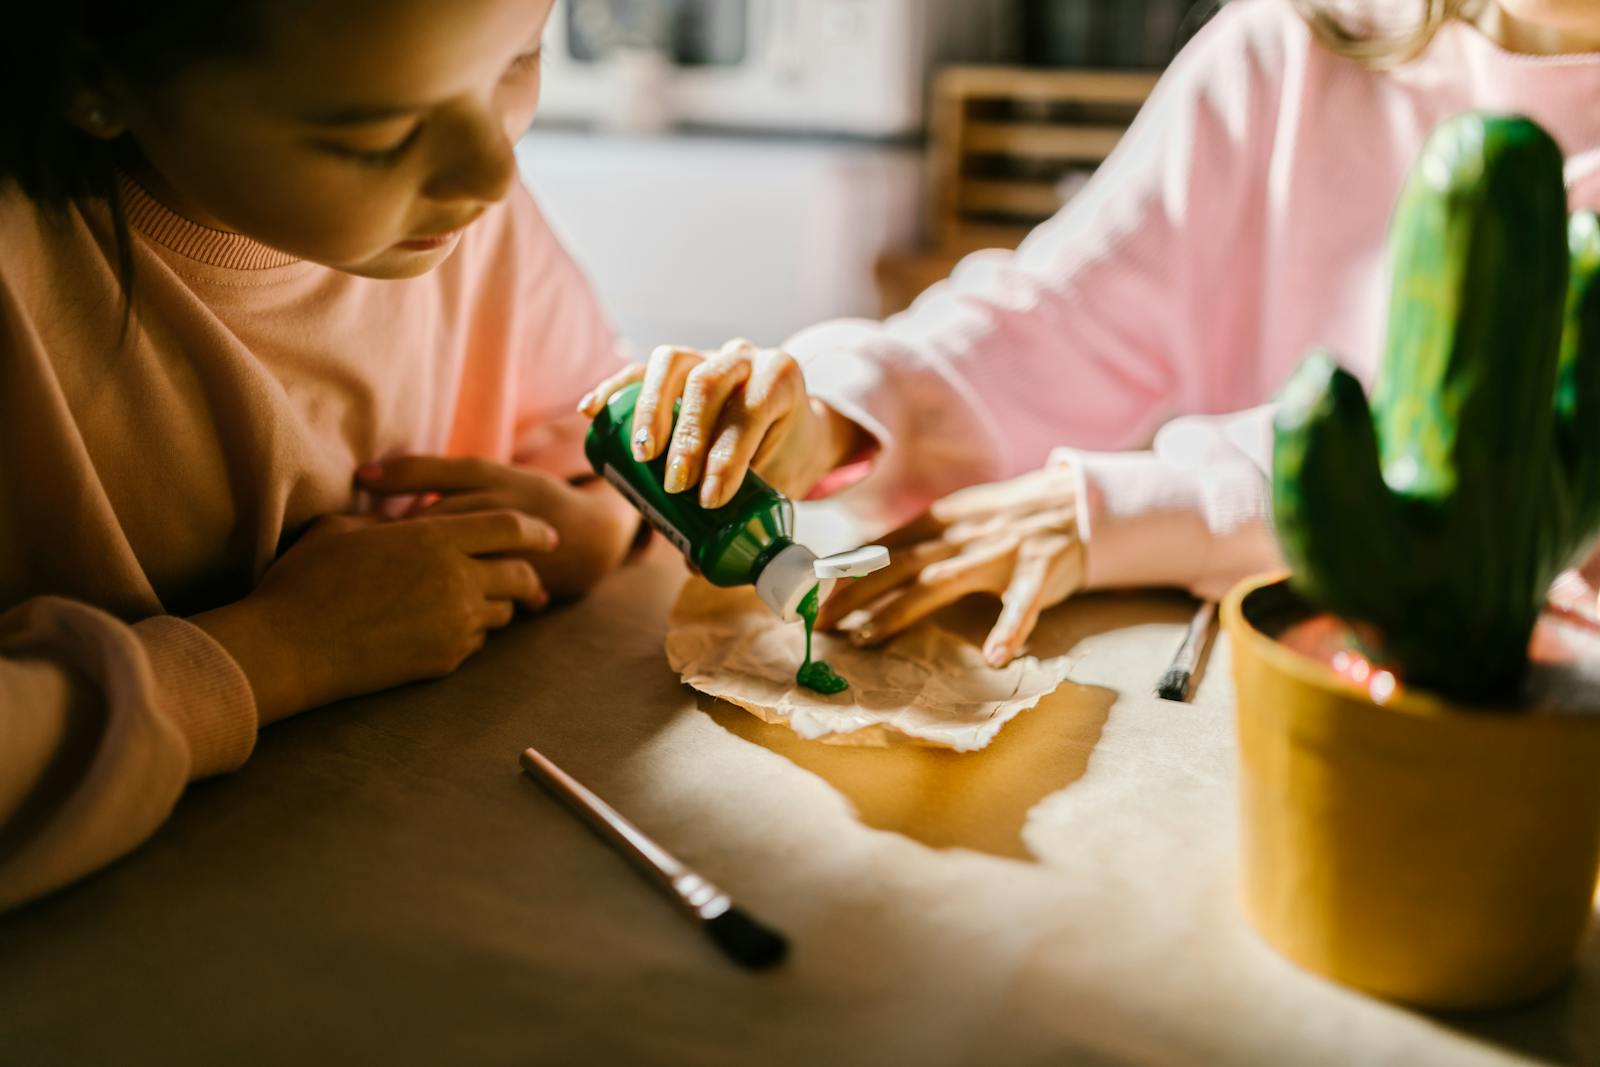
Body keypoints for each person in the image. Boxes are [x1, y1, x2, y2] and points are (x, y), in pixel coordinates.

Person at [583, 0, 1600, 668]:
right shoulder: (1289, 43)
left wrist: (1130, 505)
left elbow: (1494, 477)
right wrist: (840, 409)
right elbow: (1059, 315)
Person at [0, 0, 643, 911]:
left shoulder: (456, 219)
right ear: (99, 86)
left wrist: (595, 518)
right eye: (380, 135)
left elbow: (582, 423)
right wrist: (283, 652)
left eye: (518, 60)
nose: (493, 173)